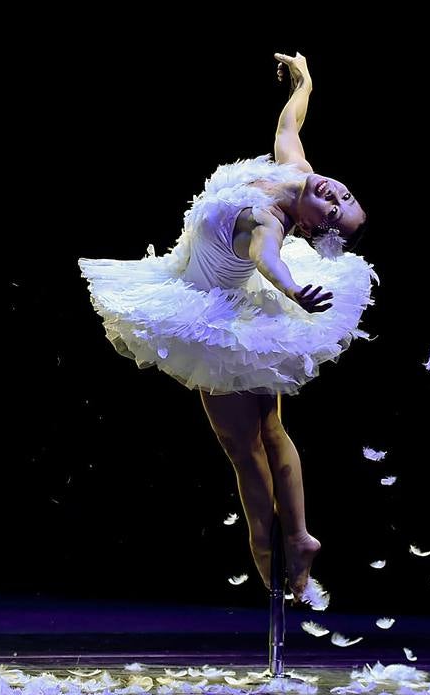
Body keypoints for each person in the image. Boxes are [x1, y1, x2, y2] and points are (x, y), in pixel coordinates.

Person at [77, 52, 379, 600]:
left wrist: (292, 291)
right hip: (226, 302)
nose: (335, 196)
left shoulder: (271, 219)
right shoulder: (297, 175)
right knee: (268, 430)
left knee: (242, 446)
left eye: (335, 213)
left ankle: (271, 545)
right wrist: (305, 83)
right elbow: (289, 126)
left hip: (216, 317)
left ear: (311, 228)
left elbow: (267, 258)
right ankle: (299, 536)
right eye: (345, 196)